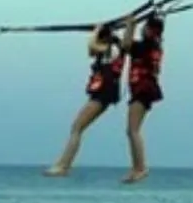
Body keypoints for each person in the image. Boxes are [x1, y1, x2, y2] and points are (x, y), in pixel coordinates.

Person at [43, 23, 125, 177]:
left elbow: (92, 45)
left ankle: (64, 166)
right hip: (99, 94)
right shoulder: (106, 51)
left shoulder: (113, 49)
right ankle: (62, 164)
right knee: (77, 128)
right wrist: (98, 32)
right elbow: (91, 51)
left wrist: (96, 31)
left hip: (103, 95)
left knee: (77, 127)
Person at [118, 13, 165, 184]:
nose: (143, 30)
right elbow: (125, 44)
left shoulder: (148, 46)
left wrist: (130, 25)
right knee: (131, 130)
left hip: (143, 89)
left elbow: (126, 45)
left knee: (133, 130)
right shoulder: (152, 46)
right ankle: (136, 167)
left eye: (145, 27)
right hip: (143, 90)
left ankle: (141, 168)